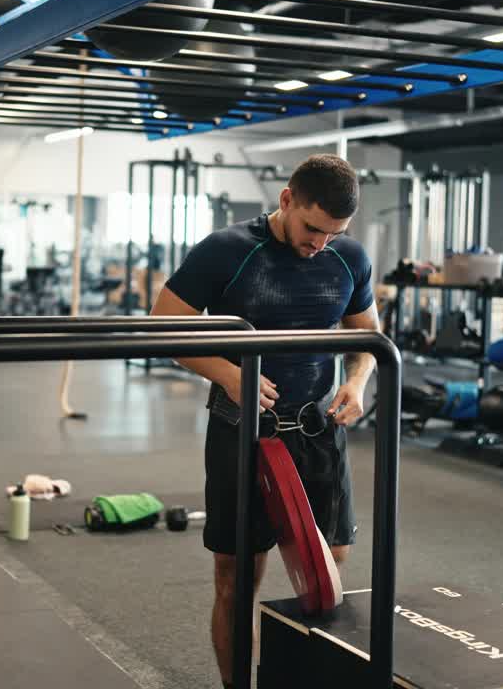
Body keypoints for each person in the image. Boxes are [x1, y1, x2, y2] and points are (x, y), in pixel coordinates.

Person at [150, 154, 380, 689]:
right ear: (287, 201)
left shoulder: (348, 256)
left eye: (333, 233)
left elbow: (366, 334)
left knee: (327, 571)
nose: (319, 243)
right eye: (312, 228)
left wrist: (356, 381)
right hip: (243, 432)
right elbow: (164, 328)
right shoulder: (227, 250)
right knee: (237, 578)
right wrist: (231, 375)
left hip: (318, 430)